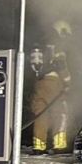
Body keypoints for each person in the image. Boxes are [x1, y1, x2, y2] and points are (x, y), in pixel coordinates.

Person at [30, 20, 73, 154]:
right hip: (53, 82)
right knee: (60, 112)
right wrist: (67, 81)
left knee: (41, 114)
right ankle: (59, 145)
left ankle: (38, 146)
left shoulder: (41, 43)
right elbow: (60, 64)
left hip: (39, 82)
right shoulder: (56, 44)